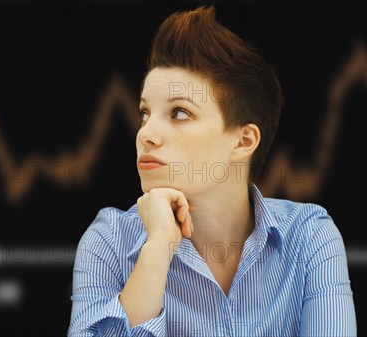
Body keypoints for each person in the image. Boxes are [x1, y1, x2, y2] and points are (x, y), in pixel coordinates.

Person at [68, 5, 357, 337]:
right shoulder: (108, 241)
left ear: (243, 141)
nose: (145, 133)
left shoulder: (310, 238)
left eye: (179, 113)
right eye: (145, 113)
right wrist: (159, 247)